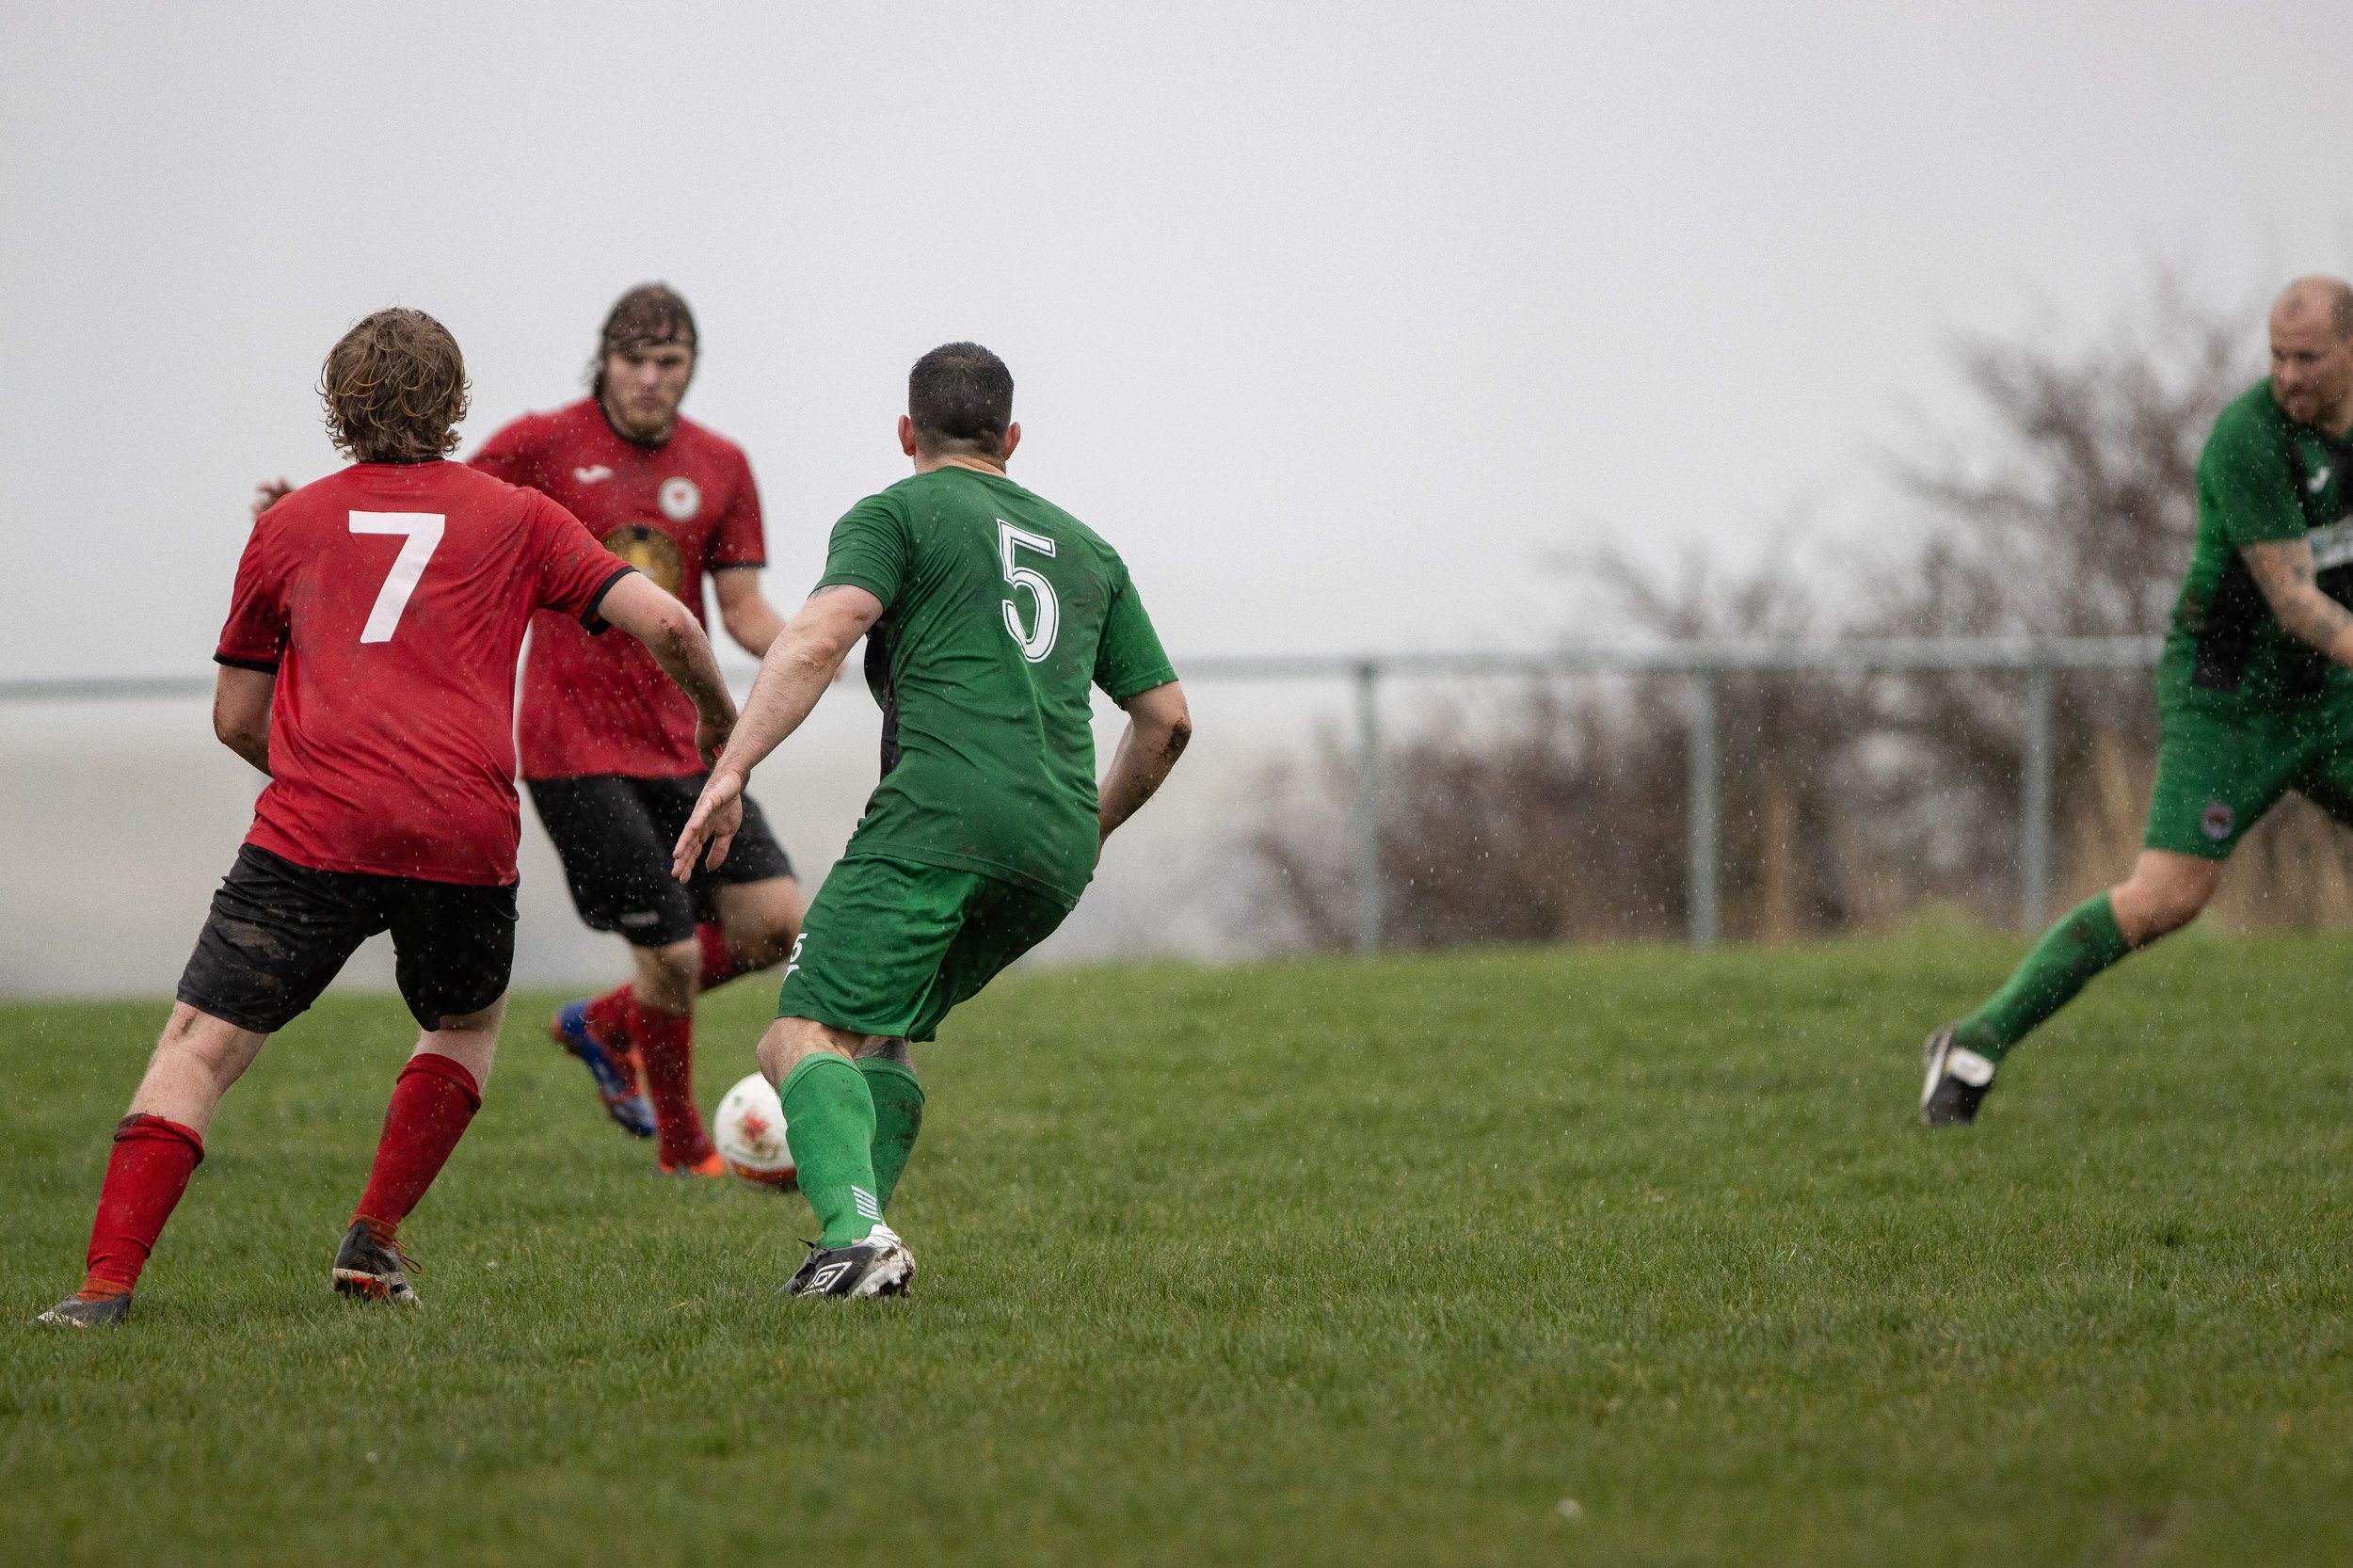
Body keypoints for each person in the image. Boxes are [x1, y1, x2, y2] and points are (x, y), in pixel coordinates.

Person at [37, 309, 736, 1326]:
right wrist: (718, 719)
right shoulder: (518, 516)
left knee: (197, 1047)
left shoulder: (287, 526)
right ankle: (374, 1236)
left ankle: (104, 1287)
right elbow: (668, 620)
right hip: (461, 830)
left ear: (338, 407)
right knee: (463, 1025)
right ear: (455, 406)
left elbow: (236, 716)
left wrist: (335, 770)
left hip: (313, 830)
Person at [669, 342, 1192, 1297]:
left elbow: (821, 634)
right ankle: (862, 1247)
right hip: (1053, 846)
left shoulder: (895, 511)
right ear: (1013, 438)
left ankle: (856, 1236)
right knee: (884, 1033)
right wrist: (1086, 830)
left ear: (907, 432)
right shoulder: (1087, 549)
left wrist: (732, 764)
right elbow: (1165, 722)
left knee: (799, 1035)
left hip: (939, 815)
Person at [1921, 275, 2353, 1125]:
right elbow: (2298, 604)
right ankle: (1973, 1042)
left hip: (2328, 693)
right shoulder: (2249, 439)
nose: (2289, 374)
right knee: (2168, 897)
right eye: (2277, 354)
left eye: (2309, 358)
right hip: (2227, 696)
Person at [464, 284, 804, 1176]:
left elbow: (741, 609)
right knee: (676, 955)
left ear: (691, 367)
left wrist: (822, 641)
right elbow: (442, 506)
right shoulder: (541, 443)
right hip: (571, 747)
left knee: (775, 923)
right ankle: (686, 1157)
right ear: (604, 359)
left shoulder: (721, 464)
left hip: (685, 737)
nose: (650, 379)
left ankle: (602, 1022)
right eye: (633, 359)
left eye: (670, 362)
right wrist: (318, 513)